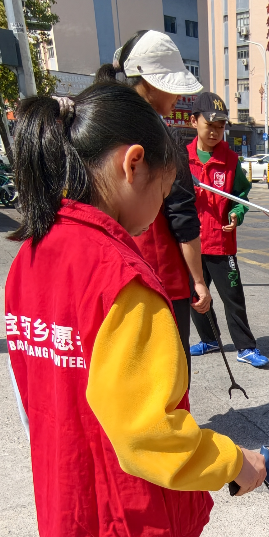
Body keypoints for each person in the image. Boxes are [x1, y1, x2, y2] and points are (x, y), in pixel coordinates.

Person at [4, 85, 267, 537]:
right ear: (132, 164)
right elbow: (150, 432)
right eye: (164, 188)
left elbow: (29, 384)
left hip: (67, 472)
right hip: (129, 493)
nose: (160, 210)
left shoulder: (32, 253)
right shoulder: (123, 278)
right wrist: (232, 460)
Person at [95, 30, 213, 363]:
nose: (178, 94)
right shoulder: (161, 138)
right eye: (172, 84)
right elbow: (182, 216)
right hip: (159, 275)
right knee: (170, 372)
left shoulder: (97, 126)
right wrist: (199, 281)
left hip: (106, 276)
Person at [185, 92, 269, 368]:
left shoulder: (230, 160)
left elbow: (241, 196)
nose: (215, 131)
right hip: (190, 243)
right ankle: (209, 339)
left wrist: (236, 213)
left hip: (222, 243)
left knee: (233, 298)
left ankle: (245, 347)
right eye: (209, 125)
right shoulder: (181, 160)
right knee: (196, 296)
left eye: (220, 126)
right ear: (193, 122)